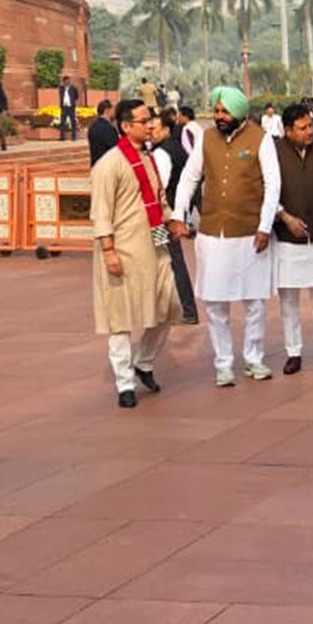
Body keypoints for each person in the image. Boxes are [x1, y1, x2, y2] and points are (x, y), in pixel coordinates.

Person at [171, 86, 279, 386]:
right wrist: (178, 214)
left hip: (250, 232)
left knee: (254, 301)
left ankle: (254, 359)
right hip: (213, 233)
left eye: (225, 112)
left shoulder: (262, 139)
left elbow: (273, 185)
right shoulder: (206, 138)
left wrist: (265, 226)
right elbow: (190, 178)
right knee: (216, 302)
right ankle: (223, 363)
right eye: (217, 111)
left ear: (240, 113)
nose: (219, 117)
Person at [91, 99, 180, 408]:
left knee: (168, 306)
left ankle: (143, 362)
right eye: (143, 121)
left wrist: (173, 221)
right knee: (120, 318)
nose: (150, 125)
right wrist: (108, 251)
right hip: (122, 250)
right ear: (126, 126)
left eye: (150, 120)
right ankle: (124, 383)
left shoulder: (149, 159)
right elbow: (100, 212)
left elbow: (158, 198)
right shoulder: (109, 165)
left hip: (154, 244)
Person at [271, 102, 313, 374]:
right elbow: (264, 191)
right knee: (288, 300)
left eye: (310, 126)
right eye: (302, 128)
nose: (309, 132)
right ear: (287, 130)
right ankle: (294, 352)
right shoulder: (273, 153)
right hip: (286, 237)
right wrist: (284, 217)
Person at [149, 110, 198, 324]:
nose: (151, 133)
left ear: (166, 130)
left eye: (154, 129)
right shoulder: (175, 148)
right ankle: (182, 309)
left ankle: (186, 310)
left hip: (164, 217)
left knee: (170, 259)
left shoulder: (162, 153)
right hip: (172, 214)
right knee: (170, 259)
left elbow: (159, 185)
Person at [88, 99, 119, 164]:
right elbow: (115, 148)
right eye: (113, 110)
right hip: (108, 165)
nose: (114, 113)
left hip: (95, 165)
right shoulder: (108, 128)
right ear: (107, 110)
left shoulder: (92, 126)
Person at [58, 74, 80, 140]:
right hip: (64, 107)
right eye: (65, 81)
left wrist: (73, 102)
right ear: (64, 81)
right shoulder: (61, 88)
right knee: (62, 122)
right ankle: (62, 137)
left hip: (71, 107)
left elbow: (76, 96)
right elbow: (61, 96)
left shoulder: (73, 88)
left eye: (68, 80)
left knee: (73, 121)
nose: (67, 82)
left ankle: (74, 137)